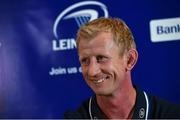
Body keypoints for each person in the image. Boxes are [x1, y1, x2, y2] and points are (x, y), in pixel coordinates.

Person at [64, 17, 180, 119]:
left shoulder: (171, 115)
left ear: (130, 60)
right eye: (85, 61)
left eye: (101, 58)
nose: (92, 71)